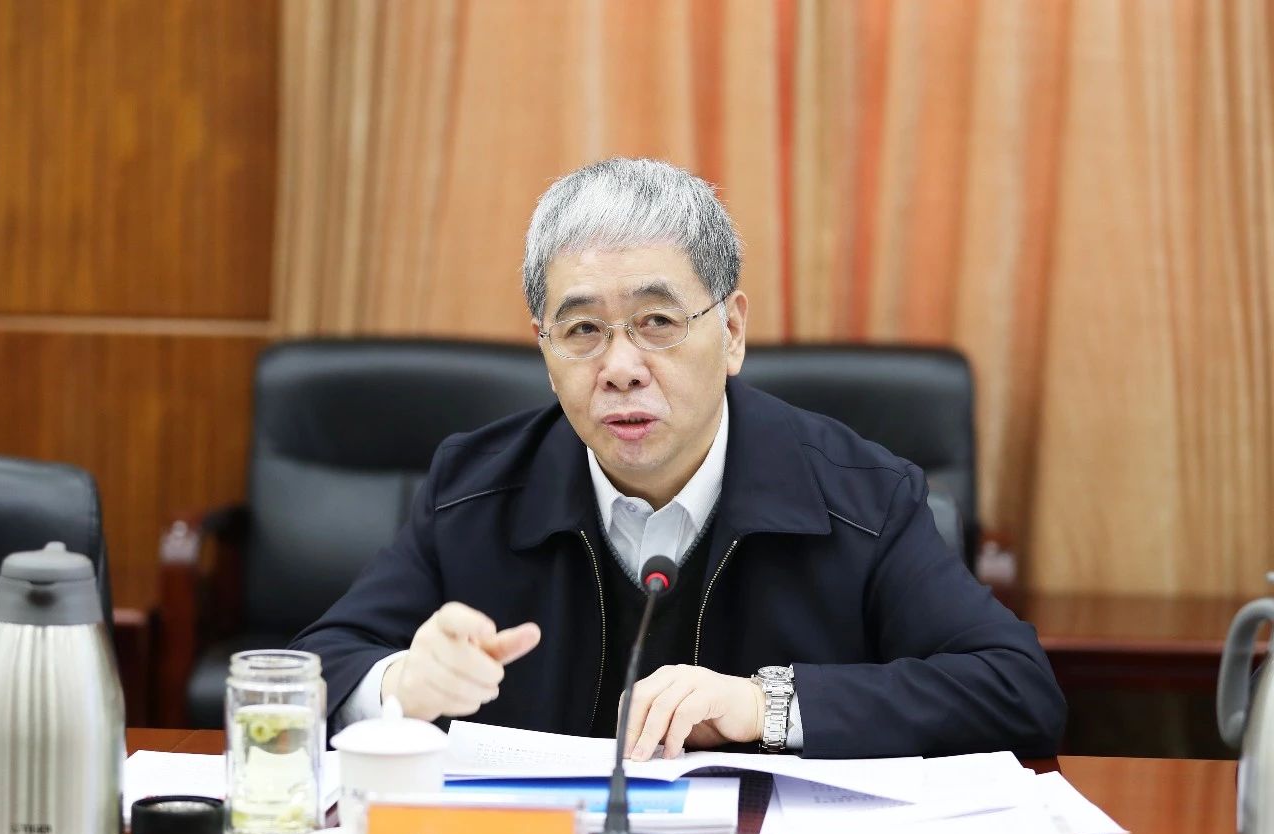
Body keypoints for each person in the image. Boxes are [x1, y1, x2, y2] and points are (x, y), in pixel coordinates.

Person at [289, 157, 1065, 760]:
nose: (621, 367)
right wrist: (401, 684)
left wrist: (765, 706)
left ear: (732, 332)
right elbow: (307, 672)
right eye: (583, 330)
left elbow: (1017, 688)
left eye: (657, 322)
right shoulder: (473, 490)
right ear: (545, 351)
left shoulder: (859, 496)